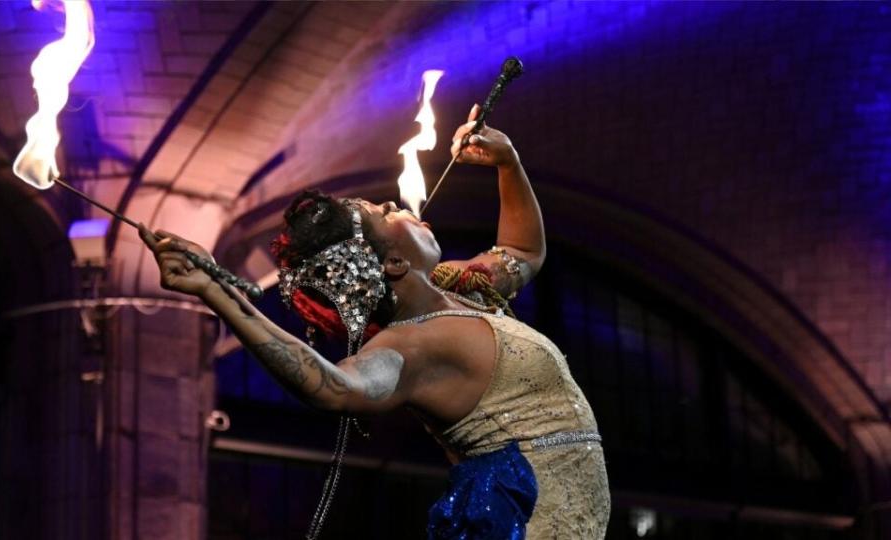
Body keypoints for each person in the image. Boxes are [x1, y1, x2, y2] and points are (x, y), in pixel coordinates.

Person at [140, 105, 611, 540]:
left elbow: (525, 252)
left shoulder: (459, 288)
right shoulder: (410, 347)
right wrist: (214, 290)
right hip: (525, 519)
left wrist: (507, 164)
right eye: (386, 213)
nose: (399, 206)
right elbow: (333, 387)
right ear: (393, 265)